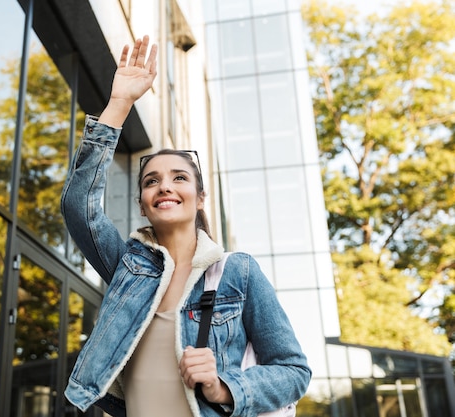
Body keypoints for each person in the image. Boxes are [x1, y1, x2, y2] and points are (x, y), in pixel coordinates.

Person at [61, 35, 311, 417]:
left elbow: (294, 372)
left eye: (179, 177)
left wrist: (223, 386)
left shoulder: (237, 273)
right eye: (151, 181)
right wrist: (119, 103)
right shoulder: (127, 266)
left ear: (200, 197)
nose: (164, 185)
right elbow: (79, 205)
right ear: (143, 206)